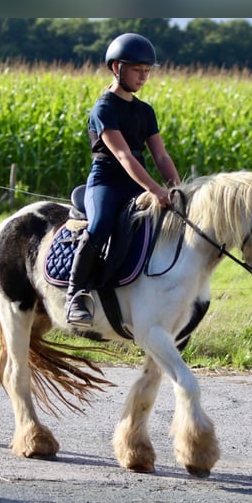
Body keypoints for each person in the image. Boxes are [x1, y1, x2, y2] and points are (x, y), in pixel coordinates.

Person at [66, 32, 182, 327]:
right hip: (106, 183)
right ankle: (75, 294)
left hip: (136, 185)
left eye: (147, 71)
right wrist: (154, 189)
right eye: (137, 70)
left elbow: (161, 157)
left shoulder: (145, 111)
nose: (144, 76)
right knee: (101, 224)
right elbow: (123, 156)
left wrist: (176, 188)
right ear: (117, 68)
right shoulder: (104, 107)